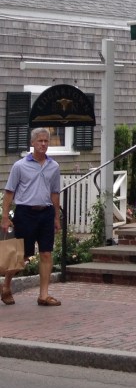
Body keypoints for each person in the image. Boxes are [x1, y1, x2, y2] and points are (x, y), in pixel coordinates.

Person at [1, 128, 63, 306]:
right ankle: (6, 286)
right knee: (22, 255)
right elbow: (9, 192)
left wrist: (56, 219)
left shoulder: (54, 167)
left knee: (46, 253)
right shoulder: (20, 166)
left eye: (46, 141)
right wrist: (5, 217)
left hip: (46, 213)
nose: (43, 144)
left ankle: (43, 295)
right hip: (25, 213)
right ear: (32, 143)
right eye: (40, 141)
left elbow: (55, 194)